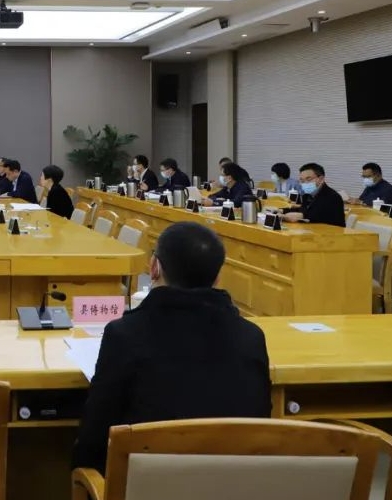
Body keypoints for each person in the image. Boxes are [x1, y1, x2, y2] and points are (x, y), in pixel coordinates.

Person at [71, 221, 271, 474]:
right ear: (218, 277)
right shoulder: (251, 336)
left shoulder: (124, 334)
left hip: (145, 485)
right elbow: (261, 423)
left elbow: (94, 439)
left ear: (154, 267)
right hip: (233, 484)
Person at [281, 163, 346, 227]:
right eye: (302, 181)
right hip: (311, 229)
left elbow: (320, 215)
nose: (305, 183)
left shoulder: (333, 196)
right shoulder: (307, 194)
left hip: (332, 231)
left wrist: (302, 216)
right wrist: (281, 211)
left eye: (308, 179)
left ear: (321, 179)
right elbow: (303, 210)